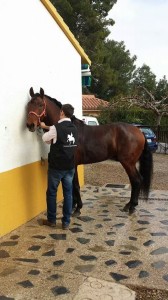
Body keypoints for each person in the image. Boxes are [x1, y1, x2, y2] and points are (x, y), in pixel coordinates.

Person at [40, 104, 78, 230]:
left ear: (61, 112)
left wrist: (46, 130)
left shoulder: (56, 128)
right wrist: (50, 129)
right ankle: (66, 222)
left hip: (56, 167)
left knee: (51, 193)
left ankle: (51, 220)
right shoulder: (74, 127)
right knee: (68, 194)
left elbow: (45, 138)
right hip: (70, 167)